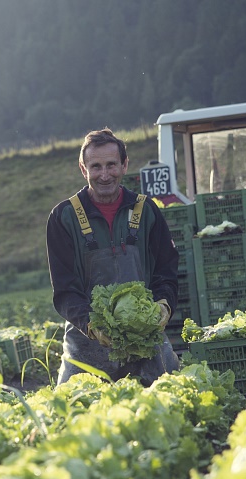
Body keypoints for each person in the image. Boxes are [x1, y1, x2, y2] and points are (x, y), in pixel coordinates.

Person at [46, 128, 180, 386]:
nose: (104, 175)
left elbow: (167, 272)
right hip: (87, 343)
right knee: (70, 412)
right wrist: (92, 325)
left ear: (124, 165)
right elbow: (64, 291)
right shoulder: (63, 217)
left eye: (111, 165)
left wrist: (164, 304)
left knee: (174, 396)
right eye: (96, 166)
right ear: (83, 169)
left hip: (146, 338)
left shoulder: (147, 210)